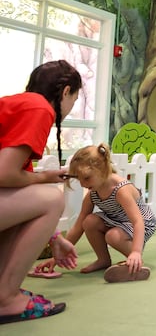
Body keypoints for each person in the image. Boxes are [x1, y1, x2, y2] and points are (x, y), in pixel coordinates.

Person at [0, 60, 82, 324]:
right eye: (75, 98)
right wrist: (45, 177)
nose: (70, 108)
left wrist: (54, 237)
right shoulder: (39, 108)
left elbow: (10, 191)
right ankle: (6, 298)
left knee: (40, 195)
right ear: (66, 91)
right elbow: (4, 174)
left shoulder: (15, 104)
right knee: (52, 197)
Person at [34, 143, 156, 283]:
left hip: (142, 223)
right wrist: (57, 257)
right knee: (89, 221)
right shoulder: (93, 194)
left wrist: (136, 251)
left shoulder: (121, 190)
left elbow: (138, 221)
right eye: (79, 179)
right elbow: (79, 226)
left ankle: (135, 260)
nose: (82, 184)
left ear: (103, 169)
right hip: (116, 220)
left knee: (113, 236)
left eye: (86, 178)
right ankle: (103, 259)